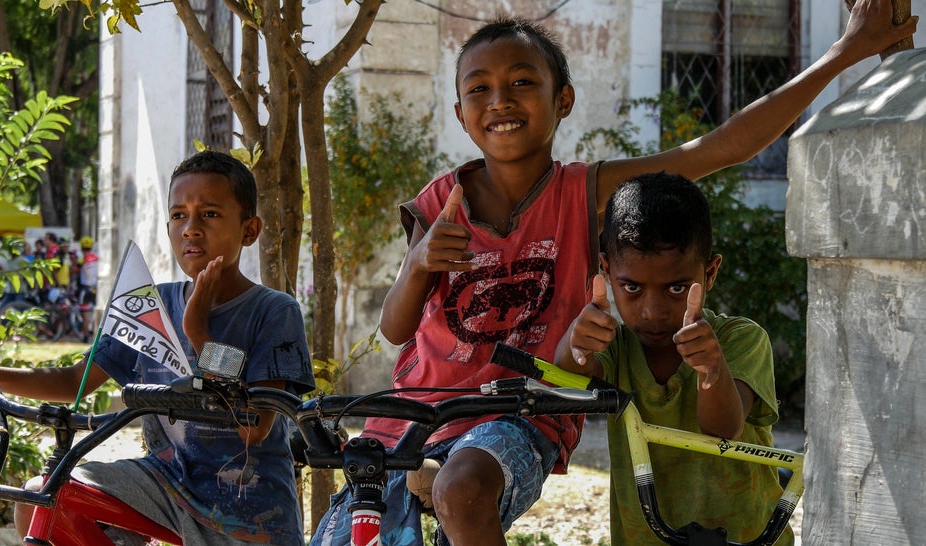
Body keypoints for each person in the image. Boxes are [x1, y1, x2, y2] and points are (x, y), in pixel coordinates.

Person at [310, 3, 916, 545]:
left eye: (523, 82)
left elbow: (718, 149)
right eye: (481, 88)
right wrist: (418, 263)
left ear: (563, 101)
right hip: (413, 417)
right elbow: (395, 330)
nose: (500, 99)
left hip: (519, 416)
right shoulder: (440, 201)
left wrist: (845, 53)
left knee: (463, 490)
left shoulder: (583, 193)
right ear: (461, 112)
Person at [0, 150, 316, 545]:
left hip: (249, 507)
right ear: (168, 229)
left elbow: (256, 426)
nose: (191, 229)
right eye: (179, 215)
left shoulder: (274, 310)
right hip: (164, 481)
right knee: (40, 495)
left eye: (210, 214)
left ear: (249, 230)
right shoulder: (152, 304)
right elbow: (75, 380)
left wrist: (198, 333)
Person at [554, 173, 791, 544]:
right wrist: (574, 343)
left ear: (710, 273)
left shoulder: (740, 340)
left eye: (676, 288)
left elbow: (724, 427)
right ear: (606, 272)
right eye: (631, 287)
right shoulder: (614, 348)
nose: (652, 311)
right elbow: (566, 376)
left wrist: (712, 369)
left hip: (745, 538)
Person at [76, 236, 99, 342]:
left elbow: (74, 271)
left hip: (85, 289)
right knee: (95, 312)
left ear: (81, 247)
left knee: (85, 315)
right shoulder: (97, 258)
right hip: (95, 289)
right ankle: (95, 335)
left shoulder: (82, 260)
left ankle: (85, 336)